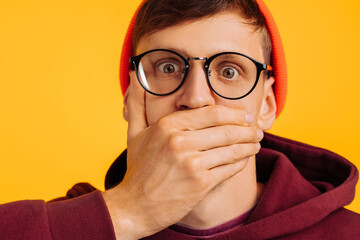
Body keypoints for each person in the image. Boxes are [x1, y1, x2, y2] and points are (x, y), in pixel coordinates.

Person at [1, 0, 359, 239]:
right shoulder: (70, 227)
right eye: (168, 67)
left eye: (229, 71)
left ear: (266, 104)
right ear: (131, 98)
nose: (196, 98)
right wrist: (126, 212)